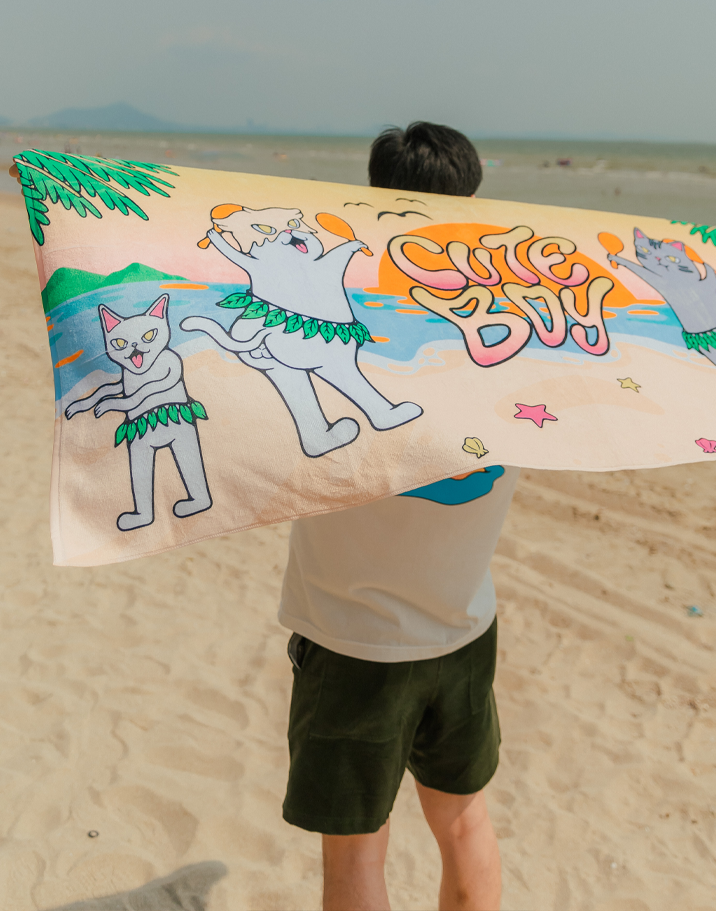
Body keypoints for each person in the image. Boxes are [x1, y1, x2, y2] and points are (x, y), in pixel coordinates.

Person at [278, 122, 519, 911]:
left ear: (374, 194)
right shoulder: (518, 326)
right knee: (465, 825)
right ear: (473, 197)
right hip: (463, 628)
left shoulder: (330, 309)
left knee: (356, 863)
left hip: (355, 641)